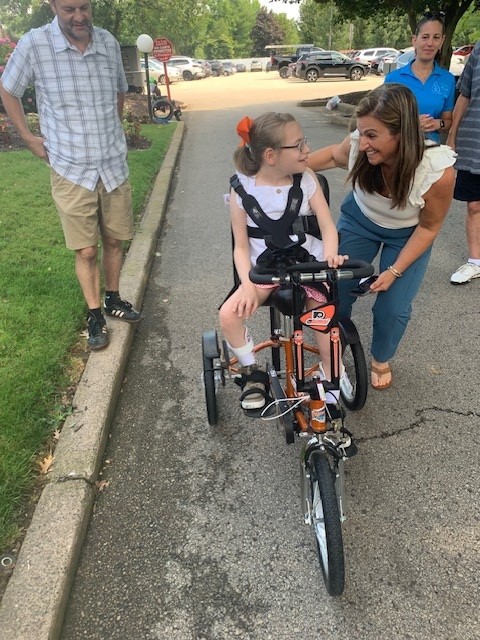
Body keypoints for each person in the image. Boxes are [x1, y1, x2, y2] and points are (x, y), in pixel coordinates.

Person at [0, 0, 142, 351]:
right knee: (86, 250)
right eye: (68, 9)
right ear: (52, 6)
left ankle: (112, 299)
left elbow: (119, 91)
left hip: (112, 164)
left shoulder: (107, 41)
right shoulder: (35, 44)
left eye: (83, 7)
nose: (78, 16)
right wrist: (29, 138)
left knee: (114, 240)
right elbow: (8, 89)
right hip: (70, 167)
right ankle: (95, 315)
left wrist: (114, 130)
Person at [307, 84, 456, 389]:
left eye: (372, 135)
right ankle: (332, 349)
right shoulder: (358, 146)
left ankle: (380, 357)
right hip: (359, 221)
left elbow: (429, 228)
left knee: (392, 306)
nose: (362, 144)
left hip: (407, 235)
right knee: (335, 288)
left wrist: (394, 271)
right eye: (361, 133)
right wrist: (277, 171)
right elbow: (332, 157)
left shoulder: (436, 171)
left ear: (401, 134)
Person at [219, 112, 347, 411]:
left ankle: (332, 377)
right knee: (229, 315)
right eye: (299, 145)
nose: (306, 151)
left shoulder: (307, 180)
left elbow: (327, 226)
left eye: (305, 143)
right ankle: (252, 371)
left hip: (307, 265)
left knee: (322, 320)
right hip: (264, 271)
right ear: (270, 155)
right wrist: (248, 283)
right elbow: (240, 246)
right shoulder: (242, 189)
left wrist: (330, 255)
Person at [384, 11, 455, 144]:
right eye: (425, 37)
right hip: (399, 149)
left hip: (431, 150)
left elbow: (448, 121)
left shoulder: (448, 79)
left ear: (442, 41)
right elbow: (383, 120)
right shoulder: (393, 79)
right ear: (414, 40)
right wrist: (412, 124)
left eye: (436, 37)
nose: (430, 43)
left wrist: (438, 124)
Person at [447, 42, 480, 284]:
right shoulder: (479, 49)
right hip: (475, 140)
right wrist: (452, 136)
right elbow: (465, 94)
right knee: (474, 206)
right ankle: (475, 262)